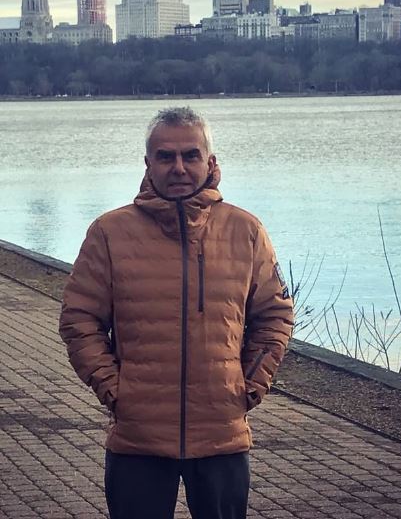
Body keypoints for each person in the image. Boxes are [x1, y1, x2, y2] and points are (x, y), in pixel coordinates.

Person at [59, 106, 294, 519]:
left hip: (221, 432)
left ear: (210, 161)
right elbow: (79, 319)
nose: (179, 167)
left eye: (190, 155)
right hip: (139, 437)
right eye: (166, 156)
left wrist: (249, 384)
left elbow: (274, 315)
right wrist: (114, 389)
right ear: (148, 163)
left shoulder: (245, 231)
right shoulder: (110, 233)